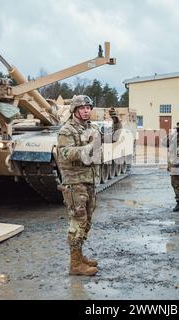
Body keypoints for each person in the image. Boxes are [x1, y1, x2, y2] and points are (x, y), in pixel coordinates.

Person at [57, 95, 121, 276]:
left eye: (88, 107)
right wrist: (88, 148)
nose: (86, 110)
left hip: (89, 180)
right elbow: (65, 153)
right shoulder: (67, 130)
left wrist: (116, 121)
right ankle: (75, 264)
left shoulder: (91, 128)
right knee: (78, 221)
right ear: (75, 110)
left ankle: (79, 256)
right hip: (74, 182)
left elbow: (112, 138)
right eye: (82, 107)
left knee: (87, 221)